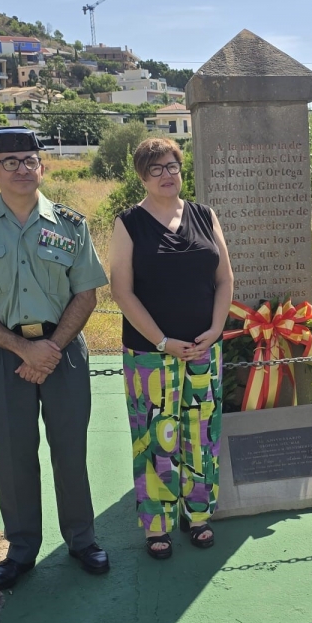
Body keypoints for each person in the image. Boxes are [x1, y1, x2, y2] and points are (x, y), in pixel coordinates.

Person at [0, 127, 110, 589]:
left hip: (63, 351)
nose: (21, 169)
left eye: (29, 160)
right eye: (9, 162)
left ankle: (81, 539)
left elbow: (86, 294)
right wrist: (23, 349)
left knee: (70, 452)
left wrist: (48, 350)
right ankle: (21, 549)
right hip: (2, 355)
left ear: (42, 166)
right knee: (14, 456)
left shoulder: (71, 225)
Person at [109, 137, 233, 560]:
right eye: (155, 168)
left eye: (172, 166)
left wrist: (216, 329)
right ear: (142, 176)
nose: (166, 175)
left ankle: (197, 514)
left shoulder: (205, 215)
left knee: (201, 434)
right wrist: (162, 340)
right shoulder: (128, 223)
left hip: (202, 350)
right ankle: (157, 525)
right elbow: (121, 291)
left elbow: (224, 280)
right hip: (150, 354)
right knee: (155, 437)